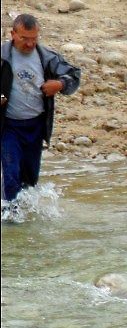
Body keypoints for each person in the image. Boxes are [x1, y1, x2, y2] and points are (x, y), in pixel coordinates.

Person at [1, 14, 81, 203]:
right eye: (24, 38)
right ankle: (11, 222)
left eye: (34, 39)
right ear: (13, 34)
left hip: (36, 126)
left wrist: (60, 85)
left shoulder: (47, 57)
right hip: (8, 127)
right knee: (11, 174)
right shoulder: (3, 57)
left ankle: (24, 219)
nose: (30, 44)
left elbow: (74, 75)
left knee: (30, 180)